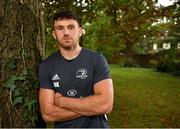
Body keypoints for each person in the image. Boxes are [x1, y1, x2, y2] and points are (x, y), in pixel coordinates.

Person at [38, 10, 114, 128]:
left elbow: (105, 105)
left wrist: (61, 101)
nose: (66, 32)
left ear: (80, 31)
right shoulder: (46, 66)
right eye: (60, 28)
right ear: (54, 34)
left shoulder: (97, 60)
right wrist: (92, 108)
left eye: (71, 27)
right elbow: (48, 114)